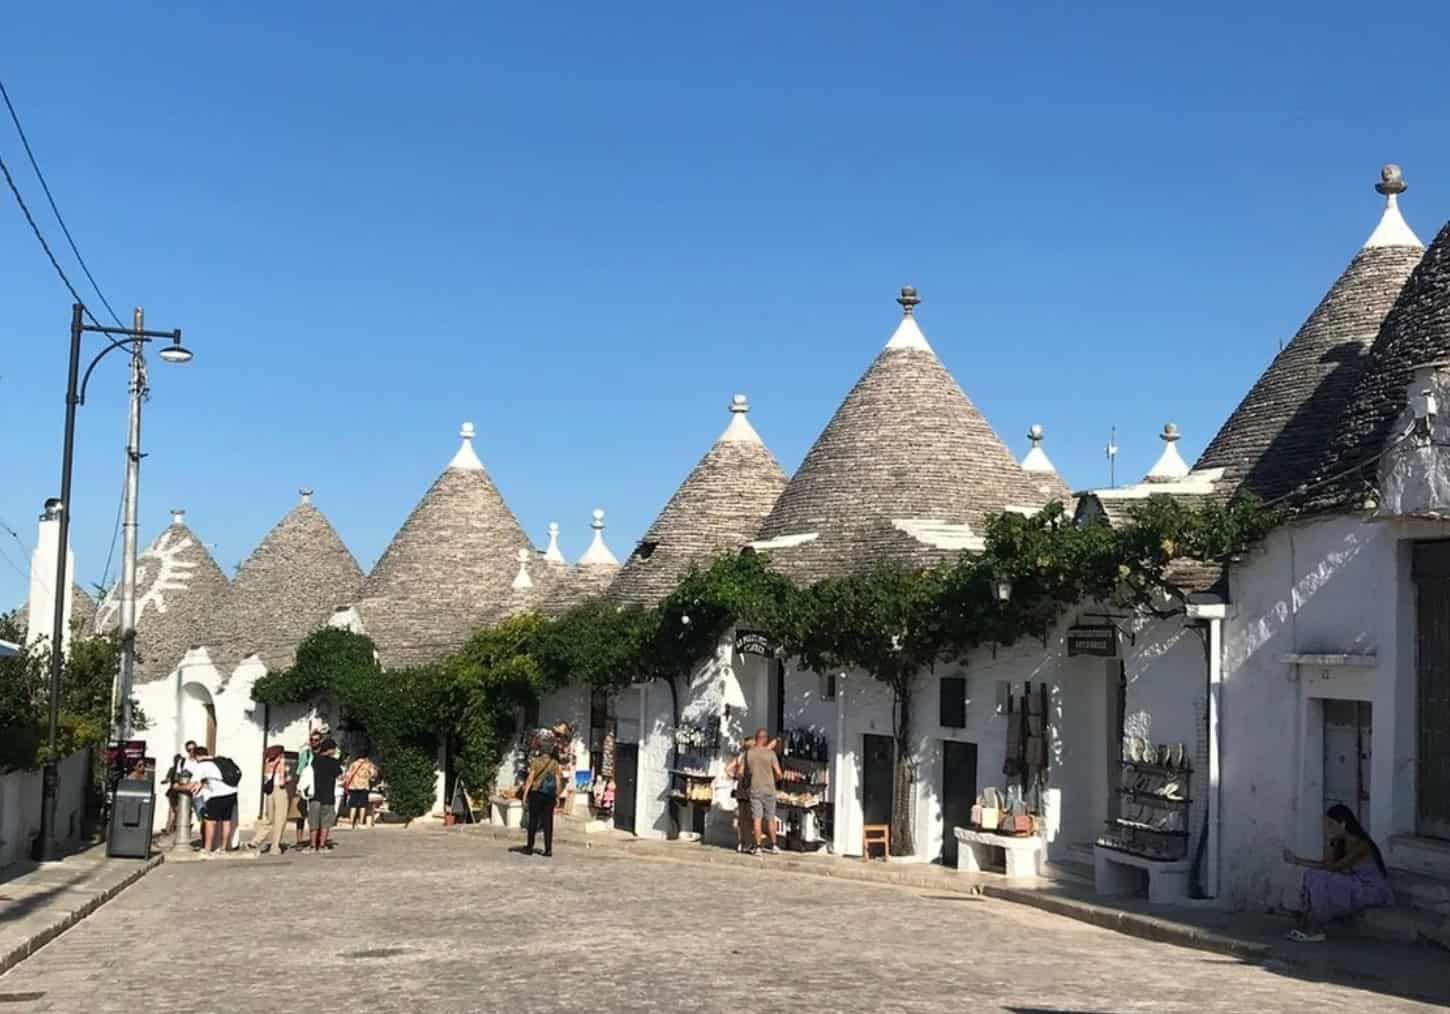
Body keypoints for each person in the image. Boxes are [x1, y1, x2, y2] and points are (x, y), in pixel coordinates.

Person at [1282, 803, 1394, 941]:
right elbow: (1325, 864)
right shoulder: (1340, 842)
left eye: (1331, 824)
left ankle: (1315, 926)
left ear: (1343, 824)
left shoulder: (1361, 845)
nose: (1328, 828)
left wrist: (1330, 841)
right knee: (1311, 875)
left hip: (1372, 889)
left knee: (1322, 879)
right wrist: (1296, 860)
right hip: (1355, 883)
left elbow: (1332, 868)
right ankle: (1307, 920)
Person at [179, 745, 238, 858]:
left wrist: (177, 787)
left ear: (196, 756)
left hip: (217, 795)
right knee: (226, 820)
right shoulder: (218, 760)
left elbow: (192, 785)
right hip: (232, 793)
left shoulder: (201, 765)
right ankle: (223, 848)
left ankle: (207, 849)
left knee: (210, 821)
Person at [519, 744, 563, 857]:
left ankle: (529, 847)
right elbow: (558, 781)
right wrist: (557, 796)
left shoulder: (536, 761)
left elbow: (530, 779)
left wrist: (524, 795)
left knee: (533, 820)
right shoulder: (555, 763)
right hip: (549, 796)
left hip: (536, 794)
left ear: (541, 751)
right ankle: (548, 849)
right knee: (548, 822)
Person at [745, 728, 783, 855]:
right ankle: (774, 845)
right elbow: (779, 773)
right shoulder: (770, 754)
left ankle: (758, 847)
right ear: (765, 739)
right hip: (769, 789)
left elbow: (748, 772)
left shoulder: (749, 753)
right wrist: (774, 780)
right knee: (771, 818)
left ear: (756, 738)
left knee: (757, 819)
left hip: (755, 789)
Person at [247, 745, 289, 855]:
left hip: (269, 793)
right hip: (279, 791)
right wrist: (284, 768)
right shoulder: (281, 763)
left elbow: (267, 777)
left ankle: (256, 840)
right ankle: (275, 847)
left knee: (269, 819)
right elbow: (282, 782)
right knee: (280, 820)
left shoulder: (267, 762)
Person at [305, 738, 343, 853]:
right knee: (326, 823)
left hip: (315, 795)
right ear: (330, 749)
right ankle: (322, 845)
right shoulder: (334, 762)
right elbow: (340, 777)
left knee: (314, 823)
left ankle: (312, 846)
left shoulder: (315, 760)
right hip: (328, 796)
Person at [293, 728, 322, 850]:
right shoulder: (305, 753)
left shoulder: (322, 754)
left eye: (316, 740)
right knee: (301, 815)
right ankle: (299, 840)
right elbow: (300, 770)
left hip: (318, 786)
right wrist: (298, 786)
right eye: (312, 739)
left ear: (320, 741)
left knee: (316, 815)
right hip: (305, 786)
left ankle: (315, 840)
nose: (314, 742)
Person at [343, 754, 376, 830]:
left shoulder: (353, 764)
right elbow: (373, 775)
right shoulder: (368, 765)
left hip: (353, 786)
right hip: (364, 786)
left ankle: (351, 822)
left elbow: (348, 774)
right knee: (363, 805)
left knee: (353, 805)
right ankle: (361, 823)